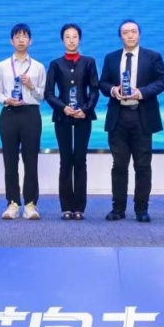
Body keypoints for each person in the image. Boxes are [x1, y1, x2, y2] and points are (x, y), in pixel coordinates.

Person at [99, 20, 164, 223]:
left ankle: (141, 209)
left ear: (139, 34)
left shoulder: (153, 56)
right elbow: (102, 83)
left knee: (143, 165)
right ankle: (118, 209)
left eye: (133, 32)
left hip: (142, 116)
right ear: (120, 36)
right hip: (118, 117)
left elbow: (163, 81)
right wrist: (113, 90)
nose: (130, 35)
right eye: (125, 32)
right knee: (119, 166)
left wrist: (142, 92)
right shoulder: (111, 57)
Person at [44, 23, 100, 221]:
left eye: (74, 36)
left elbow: (95, 90)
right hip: (63, 117)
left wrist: (85, 109)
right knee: (66, 160)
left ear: (80, 39)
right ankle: (66, 207)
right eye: (67, 37)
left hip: (84, 117)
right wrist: (63, 107)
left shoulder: (89, 62)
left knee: (80, 160)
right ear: (62, 40)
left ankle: (79, 208)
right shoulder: (55, 64)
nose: (71, 40)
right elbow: (48, 92)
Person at [0, 23, 47, 220]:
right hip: (9, 113)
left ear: (30, 41)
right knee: (10, 160)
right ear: (11, 41)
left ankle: (31, 204)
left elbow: (42, 95)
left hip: (31, 114)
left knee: (31, 160)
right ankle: (13, 203)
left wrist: (31, 86)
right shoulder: (1, 66)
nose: (21, 40)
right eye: (17, 36)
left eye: (25, 36)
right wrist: (6, 100)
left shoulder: (39, 67)